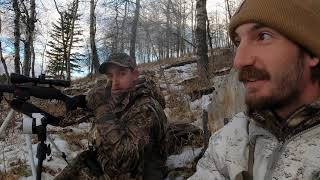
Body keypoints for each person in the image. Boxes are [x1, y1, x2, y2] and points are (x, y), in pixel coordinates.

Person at [189, 0, 320, 179]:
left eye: (263, 36)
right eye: (238, 41)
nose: (239, 61)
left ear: (312, 52)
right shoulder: (231, 139)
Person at [55, 52, 168, 180]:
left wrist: (101, 108)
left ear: (135, 75)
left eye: (122, 74)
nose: (115, 82)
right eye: (110, 76)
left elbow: (125, 160)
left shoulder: (146, 107)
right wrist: (80, 102)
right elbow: (105, 115)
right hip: (103, 166)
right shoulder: (120, 98)